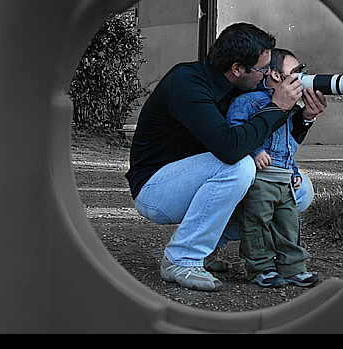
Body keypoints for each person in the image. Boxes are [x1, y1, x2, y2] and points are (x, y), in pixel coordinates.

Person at [126, 22, 305, 291]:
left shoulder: (240, 88)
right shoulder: (187, 84)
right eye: (262, 69)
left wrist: (306, 118)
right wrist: (277, 106)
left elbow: (269, 142)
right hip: (157, 188)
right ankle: (182, 259)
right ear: (237, 69)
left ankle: (208, 249)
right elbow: (230, 148)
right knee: (239, 167)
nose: (266, 75)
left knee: (298, 190)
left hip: (198, 179)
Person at [226, 48, 324, 288]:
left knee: (289, 225)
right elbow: (235, 130)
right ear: (276, 75)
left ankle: (293, 268)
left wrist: (295, 172)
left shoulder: (292, 109)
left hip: (284, 178)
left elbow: (289, 145)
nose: (300, 77)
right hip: (261, 179)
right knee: (256, 223)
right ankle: (261, 268)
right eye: (295, 72)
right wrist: (255, 151)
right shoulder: (247, 101)